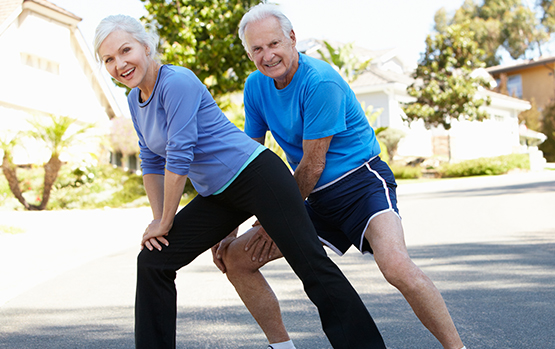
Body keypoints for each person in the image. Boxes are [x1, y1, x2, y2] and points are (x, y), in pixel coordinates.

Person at [94, 14, 386, 349]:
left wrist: (165, 221)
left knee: (312, 268)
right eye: (108, 59)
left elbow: (179, 156)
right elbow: (151, 160)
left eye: (125, 50)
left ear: (146, 46)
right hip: (219, 193)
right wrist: (159, 219)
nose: (119, 64)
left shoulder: (177, 82)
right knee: (154, 260)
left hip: (258, 176)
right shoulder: (135, 100)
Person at [212, 3, 467, 349]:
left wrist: (275, 218)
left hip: (361, 185)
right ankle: (282, 346)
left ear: (291, 38)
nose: (267, 55)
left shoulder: (320, 81)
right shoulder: (255, 88)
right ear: (249, 53)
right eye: (257, 49)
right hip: (312, 198)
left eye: (274, 44)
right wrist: (226, 230)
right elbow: (245, 161)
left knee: (395, 266)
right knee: (235, 259)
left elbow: (314, 165)